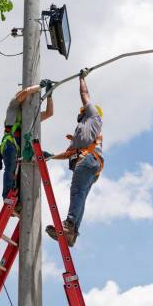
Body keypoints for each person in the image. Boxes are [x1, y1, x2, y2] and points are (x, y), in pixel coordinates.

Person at [45, 68, 103, 246]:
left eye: (81, 111)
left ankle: (69, 226)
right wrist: (52, 156)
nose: (78, 114)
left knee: (77, 192)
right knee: (81, 196)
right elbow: (69, 153)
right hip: (90, 163)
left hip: (88, 161)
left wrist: (81, 78)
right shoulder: (80, 134)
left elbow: (85, 94)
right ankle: (72, 232)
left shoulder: (93, 117)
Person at [0, 82, 53, 206]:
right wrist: (40, 86)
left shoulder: (30, 116)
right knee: (11, 168)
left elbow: (49, 113)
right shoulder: (13, 106)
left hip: (21, 146)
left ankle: (18, 201)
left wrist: (49, 95)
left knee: (21, 174)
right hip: (11, 142)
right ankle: (7, 197)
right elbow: (25, 92)